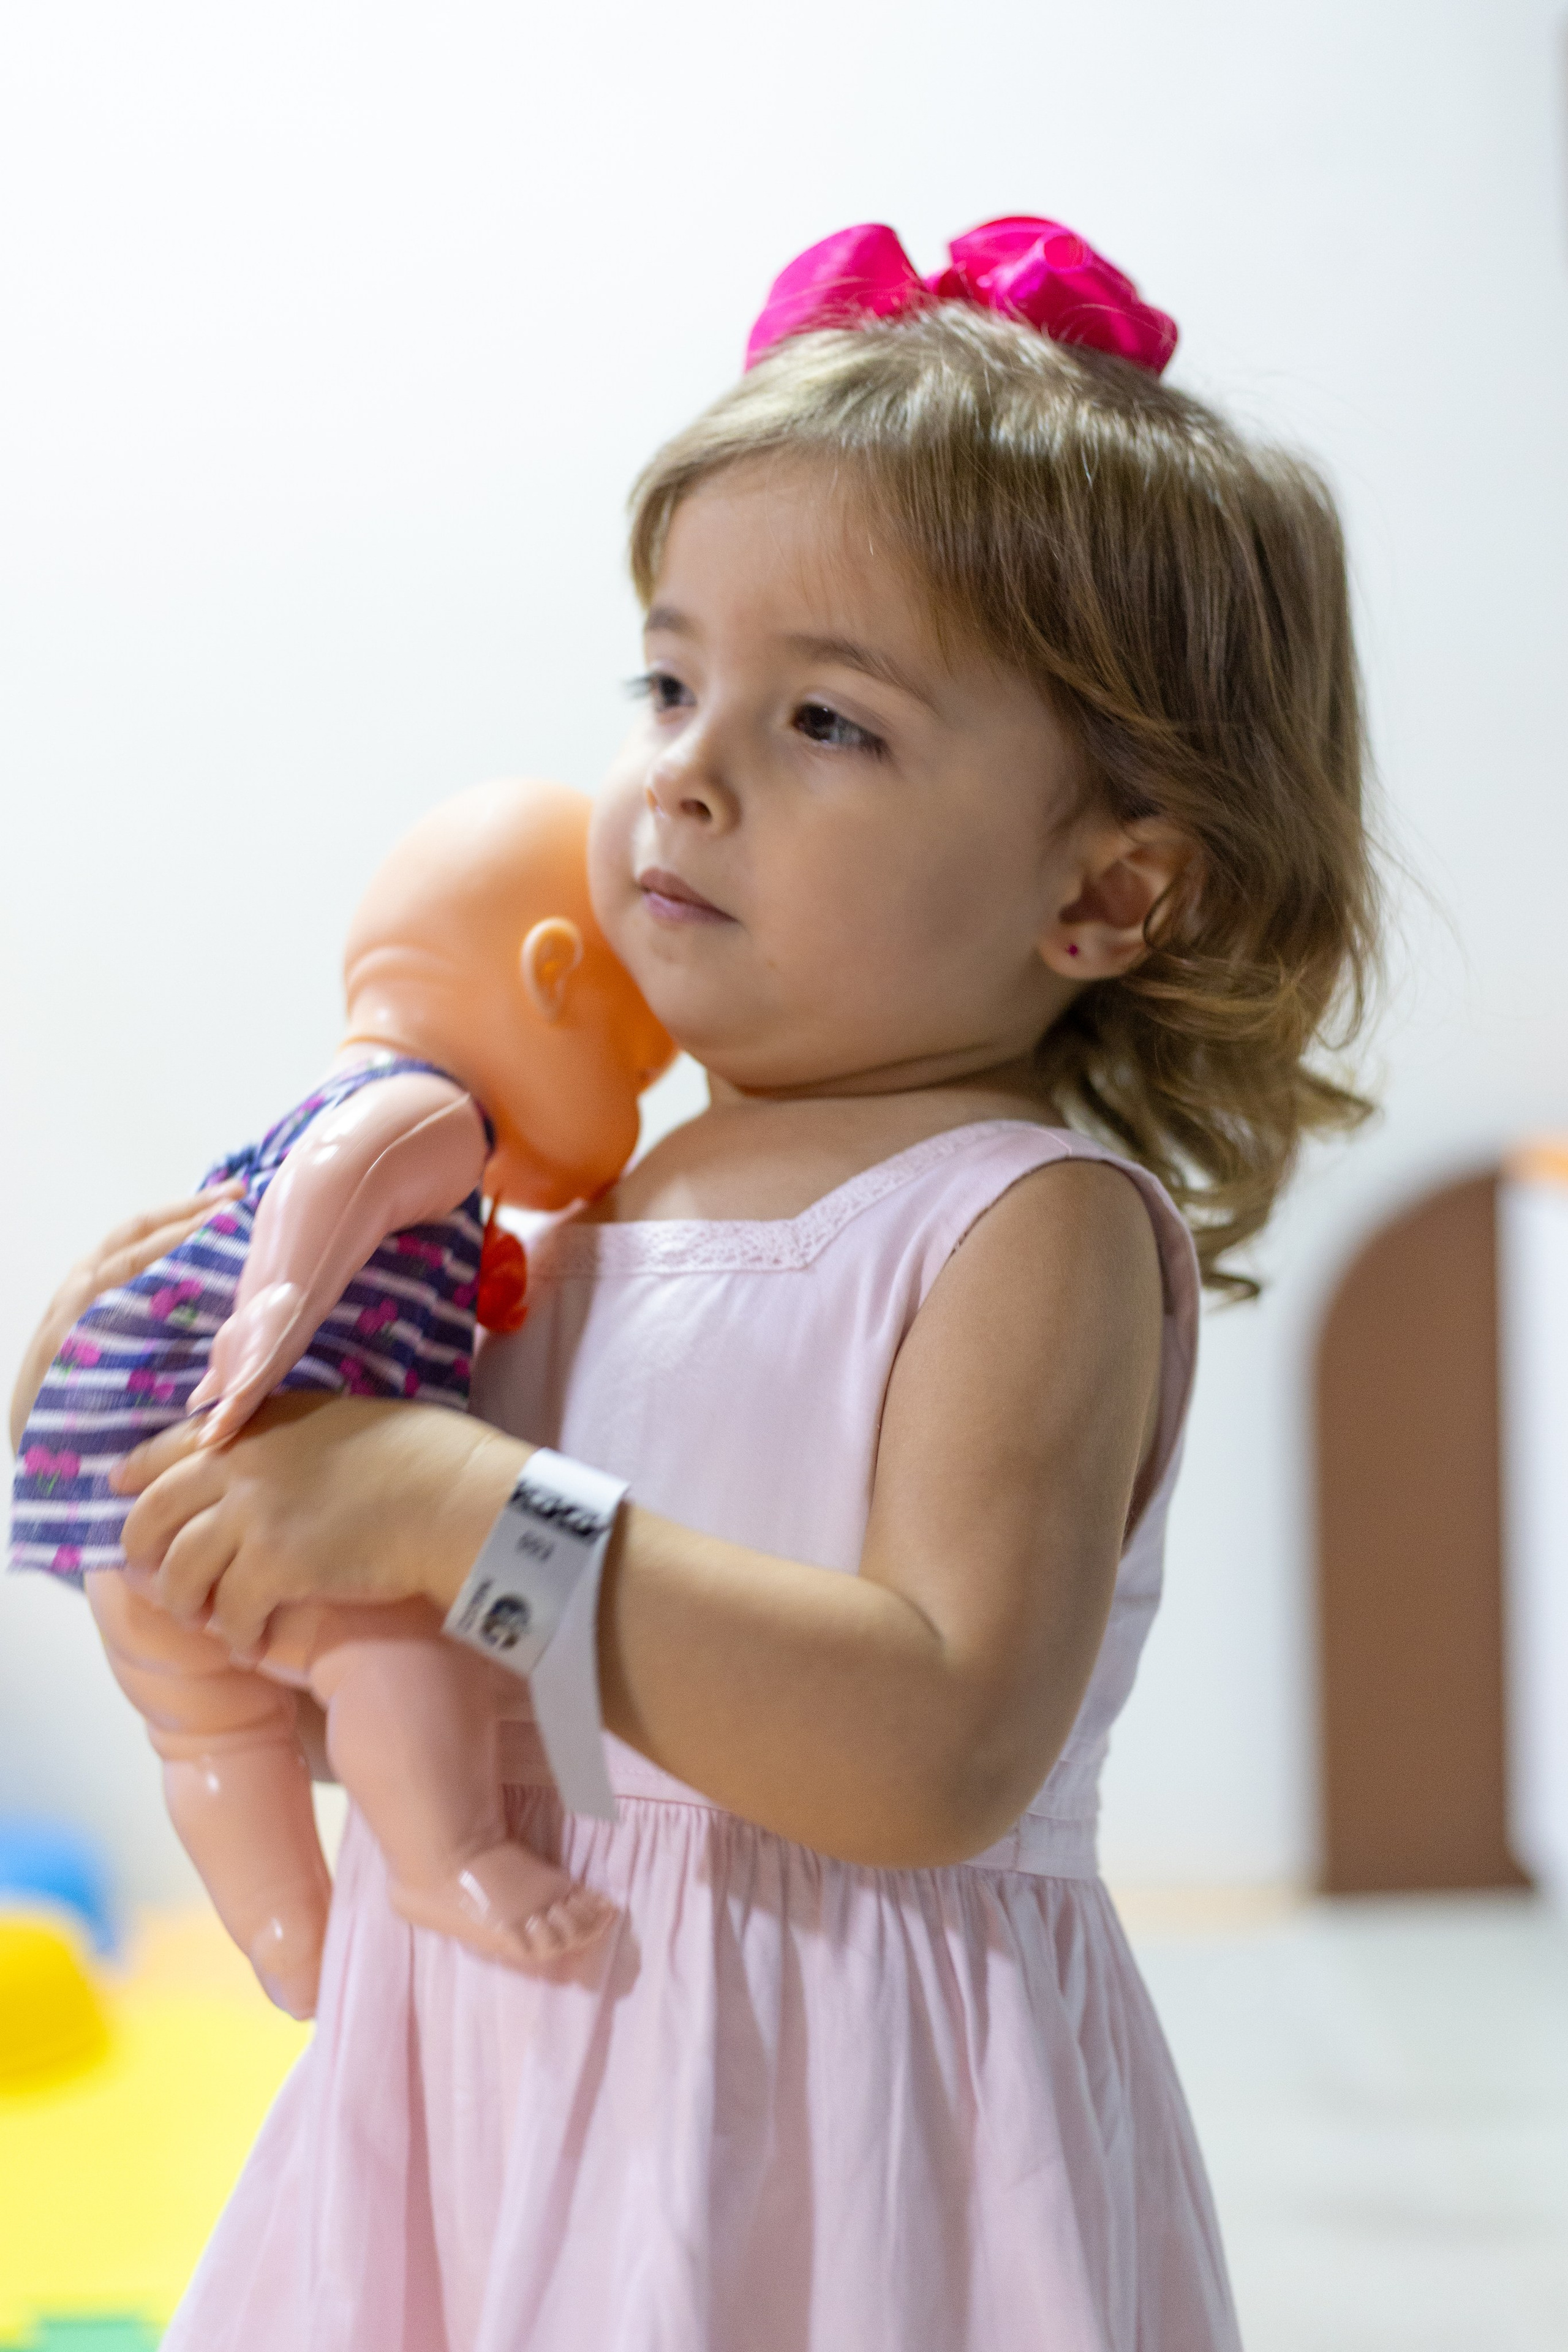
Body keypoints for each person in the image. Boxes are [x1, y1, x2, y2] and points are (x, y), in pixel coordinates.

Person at [17, 216, 1379, 2350]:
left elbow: (931, 1748)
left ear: (1110, 883)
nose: (687, 767)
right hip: (492, 2074)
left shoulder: (1017, 1227)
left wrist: (461, 1504)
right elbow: (433, 1678)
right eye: (668, 681)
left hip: (819, 2138)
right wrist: (214, 1448)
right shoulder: (571, 1227)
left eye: (827, 719)